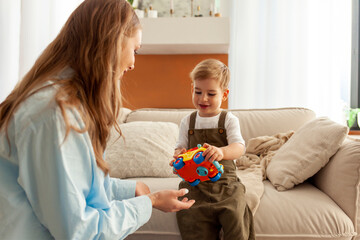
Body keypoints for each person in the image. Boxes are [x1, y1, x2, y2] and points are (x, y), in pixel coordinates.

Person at [0, 0, 195, 239]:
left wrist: (127, 188)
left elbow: (72, 183)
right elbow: (80, 231)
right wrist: (149, 202)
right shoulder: (54, 114)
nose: (134, 63)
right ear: (112, 42)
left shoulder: (62, 103)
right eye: (135, 50)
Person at [170, 59, 255, 240]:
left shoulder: (228, 119)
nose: (203, 99)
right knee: (190, 217)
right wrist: (178, 158)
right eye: (198, 91)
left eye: (211, 93)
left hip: (225, 183)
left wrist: (222, 152)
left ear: (224, 94)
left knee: (236, 213)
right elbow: (181, 148)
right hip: (195, 184)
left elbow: (239, 147)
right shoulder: (188, 121)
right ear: (191, 89)